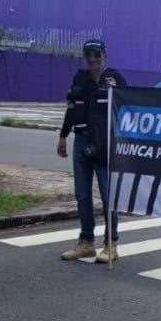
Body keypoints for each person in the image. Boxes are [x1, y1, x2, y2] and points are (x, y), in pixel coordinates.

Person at [57, 39, 126, 263]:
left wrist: (118, 93)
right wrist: (63, 136)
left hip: (105, 144)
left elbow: (128, 107)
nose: (93, 59)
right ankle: (86, 242)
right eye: (89, 54)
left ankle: (110, 243)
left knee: (108, 195)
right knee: (82, 194)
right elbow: (71, 109)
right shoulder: (80, 78)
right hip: (81, 141)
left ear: (105, 55)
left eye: (97, 54)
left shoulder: (114, 78)